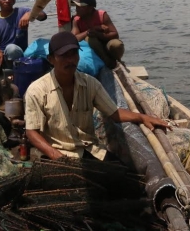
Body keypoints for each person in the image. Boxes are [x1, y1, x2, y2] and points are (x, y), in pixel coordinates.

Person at [24, 31, 169, 161]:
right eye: (63, 56)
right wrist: (56, 156)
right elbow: (31, 132)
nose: (70, 60)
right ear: (51, 59)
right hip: (58, 154)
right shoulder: (37, 90)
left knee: (122, 176)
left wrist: (142, 117)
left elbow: (115, 113)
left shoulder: (90, 84)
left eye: (74, 54)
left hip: (91, 150)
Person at [71, 0, 124, 69]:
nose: (77, 8)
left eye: (80, 7)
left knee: (116, 45)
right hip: (92, 49)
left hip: (106, 43)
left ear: (90, 8)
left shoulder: (101, 15)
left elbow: (115, 34)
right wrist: (90, 31)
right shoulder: (76, 20)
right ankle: (107, 62)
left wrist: (97, 34)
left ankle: (117, 60)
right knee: (91, 39)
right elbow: (74, 38)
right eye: (76, 6)